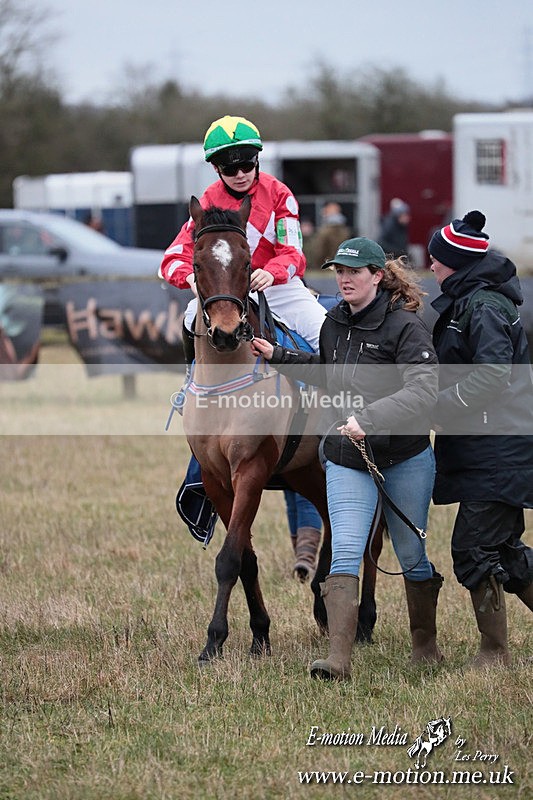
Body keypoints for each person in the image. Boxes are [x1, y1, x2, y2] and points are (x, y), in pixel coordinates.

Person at [252, 237, 443, 680]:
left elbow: (423, 390)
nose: (344, 279)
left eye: (354, 272)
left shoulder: (406, 326)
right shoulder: (334, 320)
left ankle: (425, 647)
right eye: (339, 271)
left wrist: (369, 418)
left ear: (377, 276)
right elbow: (326, 368)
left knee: (412, 554)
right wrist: (278, 355)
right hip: (346, 455)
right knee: (345, 551)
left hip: (405, 457)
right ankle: (338, 658)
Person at [160, 115, 327, 571]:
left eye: (246, 162)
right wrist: (190, 278)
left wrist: (270, 272)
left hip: (278, 286)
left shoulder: (279, 193)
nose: (240, 171)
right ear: (216, 168)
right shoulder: (208, 203)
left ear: (256, 160)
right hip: (223, 290)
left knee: (328, 332)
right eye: (230, 165)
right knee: (192, 318)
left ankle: (347, 419)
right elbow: (172, 258)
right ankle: (195, 398)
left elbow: (295, 252)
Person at [429, 210, 533, 667]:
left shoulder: (485, 306)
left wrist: (438, 405)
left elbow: (492, 375)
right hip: (487, 445)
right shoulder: (472, 299)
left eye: (436, 260)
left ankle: (494, 654)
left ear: (454, 262)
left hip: (499, 447)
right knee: (504, 553)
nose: (430, 267)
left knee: (473, 549)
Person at [311, 202, 351, 269]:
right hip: (342, 265)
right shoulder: (345, 230)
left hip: (327, 266)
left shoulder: (324, 231)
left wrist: (317, 265)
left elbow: (319, 251)